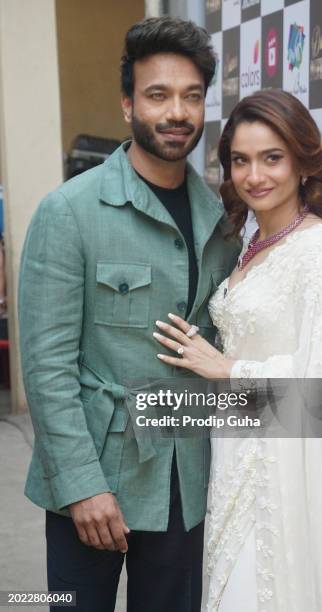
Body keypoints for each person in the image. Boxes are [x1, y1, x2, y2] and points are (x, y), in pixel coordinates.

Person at [18, 17, 240, 612]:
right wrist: (82, 486)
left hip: (184, 482)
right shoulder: (69, 211)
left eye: (192, 96)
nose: (177, 112)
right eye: (158, 94)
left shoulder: (221, 221)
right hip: (91, 487)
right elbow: (46, 368)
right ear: (127, 104)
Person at [153, 89, 322, 611]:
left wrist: (230, 368)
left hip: (281, 485)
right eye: (241, 160)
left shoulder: (321, 251)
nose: (255, 175)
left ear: (302, 162)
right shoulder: (250, 242)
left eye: (272, 158)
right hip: (232, 462)